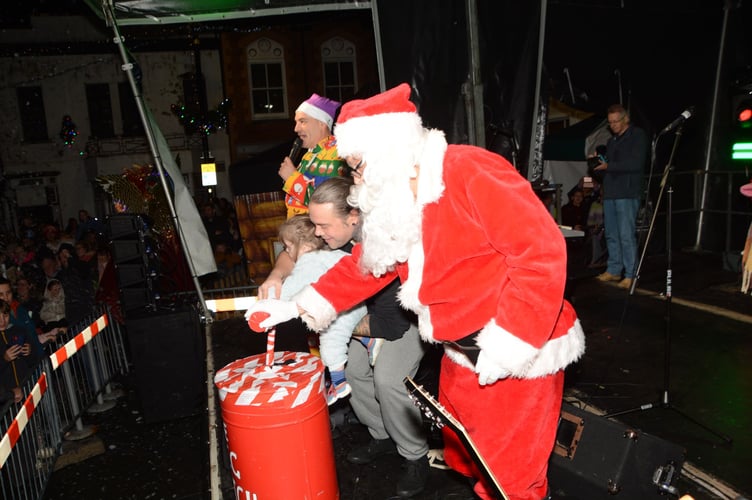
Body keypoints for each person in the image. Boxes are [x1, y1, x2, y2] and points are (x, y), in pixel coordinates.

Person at [248, 83, 585, 500]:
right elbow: (366, 266)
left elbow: (541, 252)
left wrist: (513, 342)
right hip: (462, 353)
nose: (354, 183)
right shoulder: (396, 200)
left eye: (357, 168)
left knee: (513, 477)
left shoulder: (469, 170)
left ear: (387, 151)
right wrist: (298, 305)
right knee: (472, 460)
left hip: (518, 351)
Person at [274, 214, 371, 405]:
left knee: (329, 339)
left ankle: (339, 383)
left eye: (288, 247)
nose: (287, 252)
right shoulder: (332, 254)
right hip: (359, 305)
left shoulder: (308, 261)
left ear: (305, 247)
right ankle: (369, 342)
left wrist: (275, 301)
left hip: (344, 312)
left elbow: (292, 287)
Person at [258, 93, 347, 299]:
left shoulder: (335, 154)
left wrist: (292, 179)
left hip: (321, 246)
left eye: (303, 122)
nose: (296, 129)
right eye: (296, 122)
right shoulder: (309, 156)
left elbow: (328, 203)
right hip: (300, 243)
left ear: (322, 123)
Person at [592, 103, 648, 289]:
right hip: (611, 192)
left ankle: (631, 274)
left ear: (626, 119)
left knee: (626, 234)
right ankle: (614, 269)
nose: (613, 125)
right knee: (611, 234)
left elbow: (636, 164)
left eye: (616, 121)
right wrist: (599, 163)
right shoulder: (612, 141)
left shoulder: (637, 136)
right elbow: (608, 168)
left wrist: (609, 166)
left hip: (627, 192)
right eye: (610, 122)